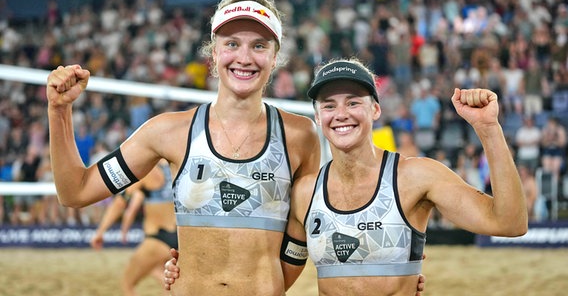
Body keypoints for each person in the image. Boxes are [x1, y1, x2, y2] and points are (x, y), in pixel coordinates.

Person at [165, 58, 528, 295]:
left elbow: (509, 223)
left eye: (353, 101)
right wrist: (195, 267)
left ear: (375, 108)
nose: (341, 114)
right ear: (317, 115)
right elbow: (275, 276)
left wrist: (489, 130)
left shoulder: (416, 177)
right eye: (329, 105)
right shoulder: (305, 194)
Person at [46, 0, 322, 296]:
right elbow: (76, 191)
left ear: (275, 58)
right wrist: (59, 111)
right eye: (232, 43)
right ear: (214, 52)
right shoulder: (168, 132)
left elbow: (298, 239)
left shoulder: (301, 135)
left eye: (259, 46)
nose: (244, 57)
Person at [90, 159, 176, 296]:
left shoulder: (148, 172)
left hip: (157, 239)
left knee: (127, 284)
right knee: (169, 283)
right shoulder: (176, 167)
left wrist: (100, 232)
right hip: (179, 239)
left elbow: (120, 204)